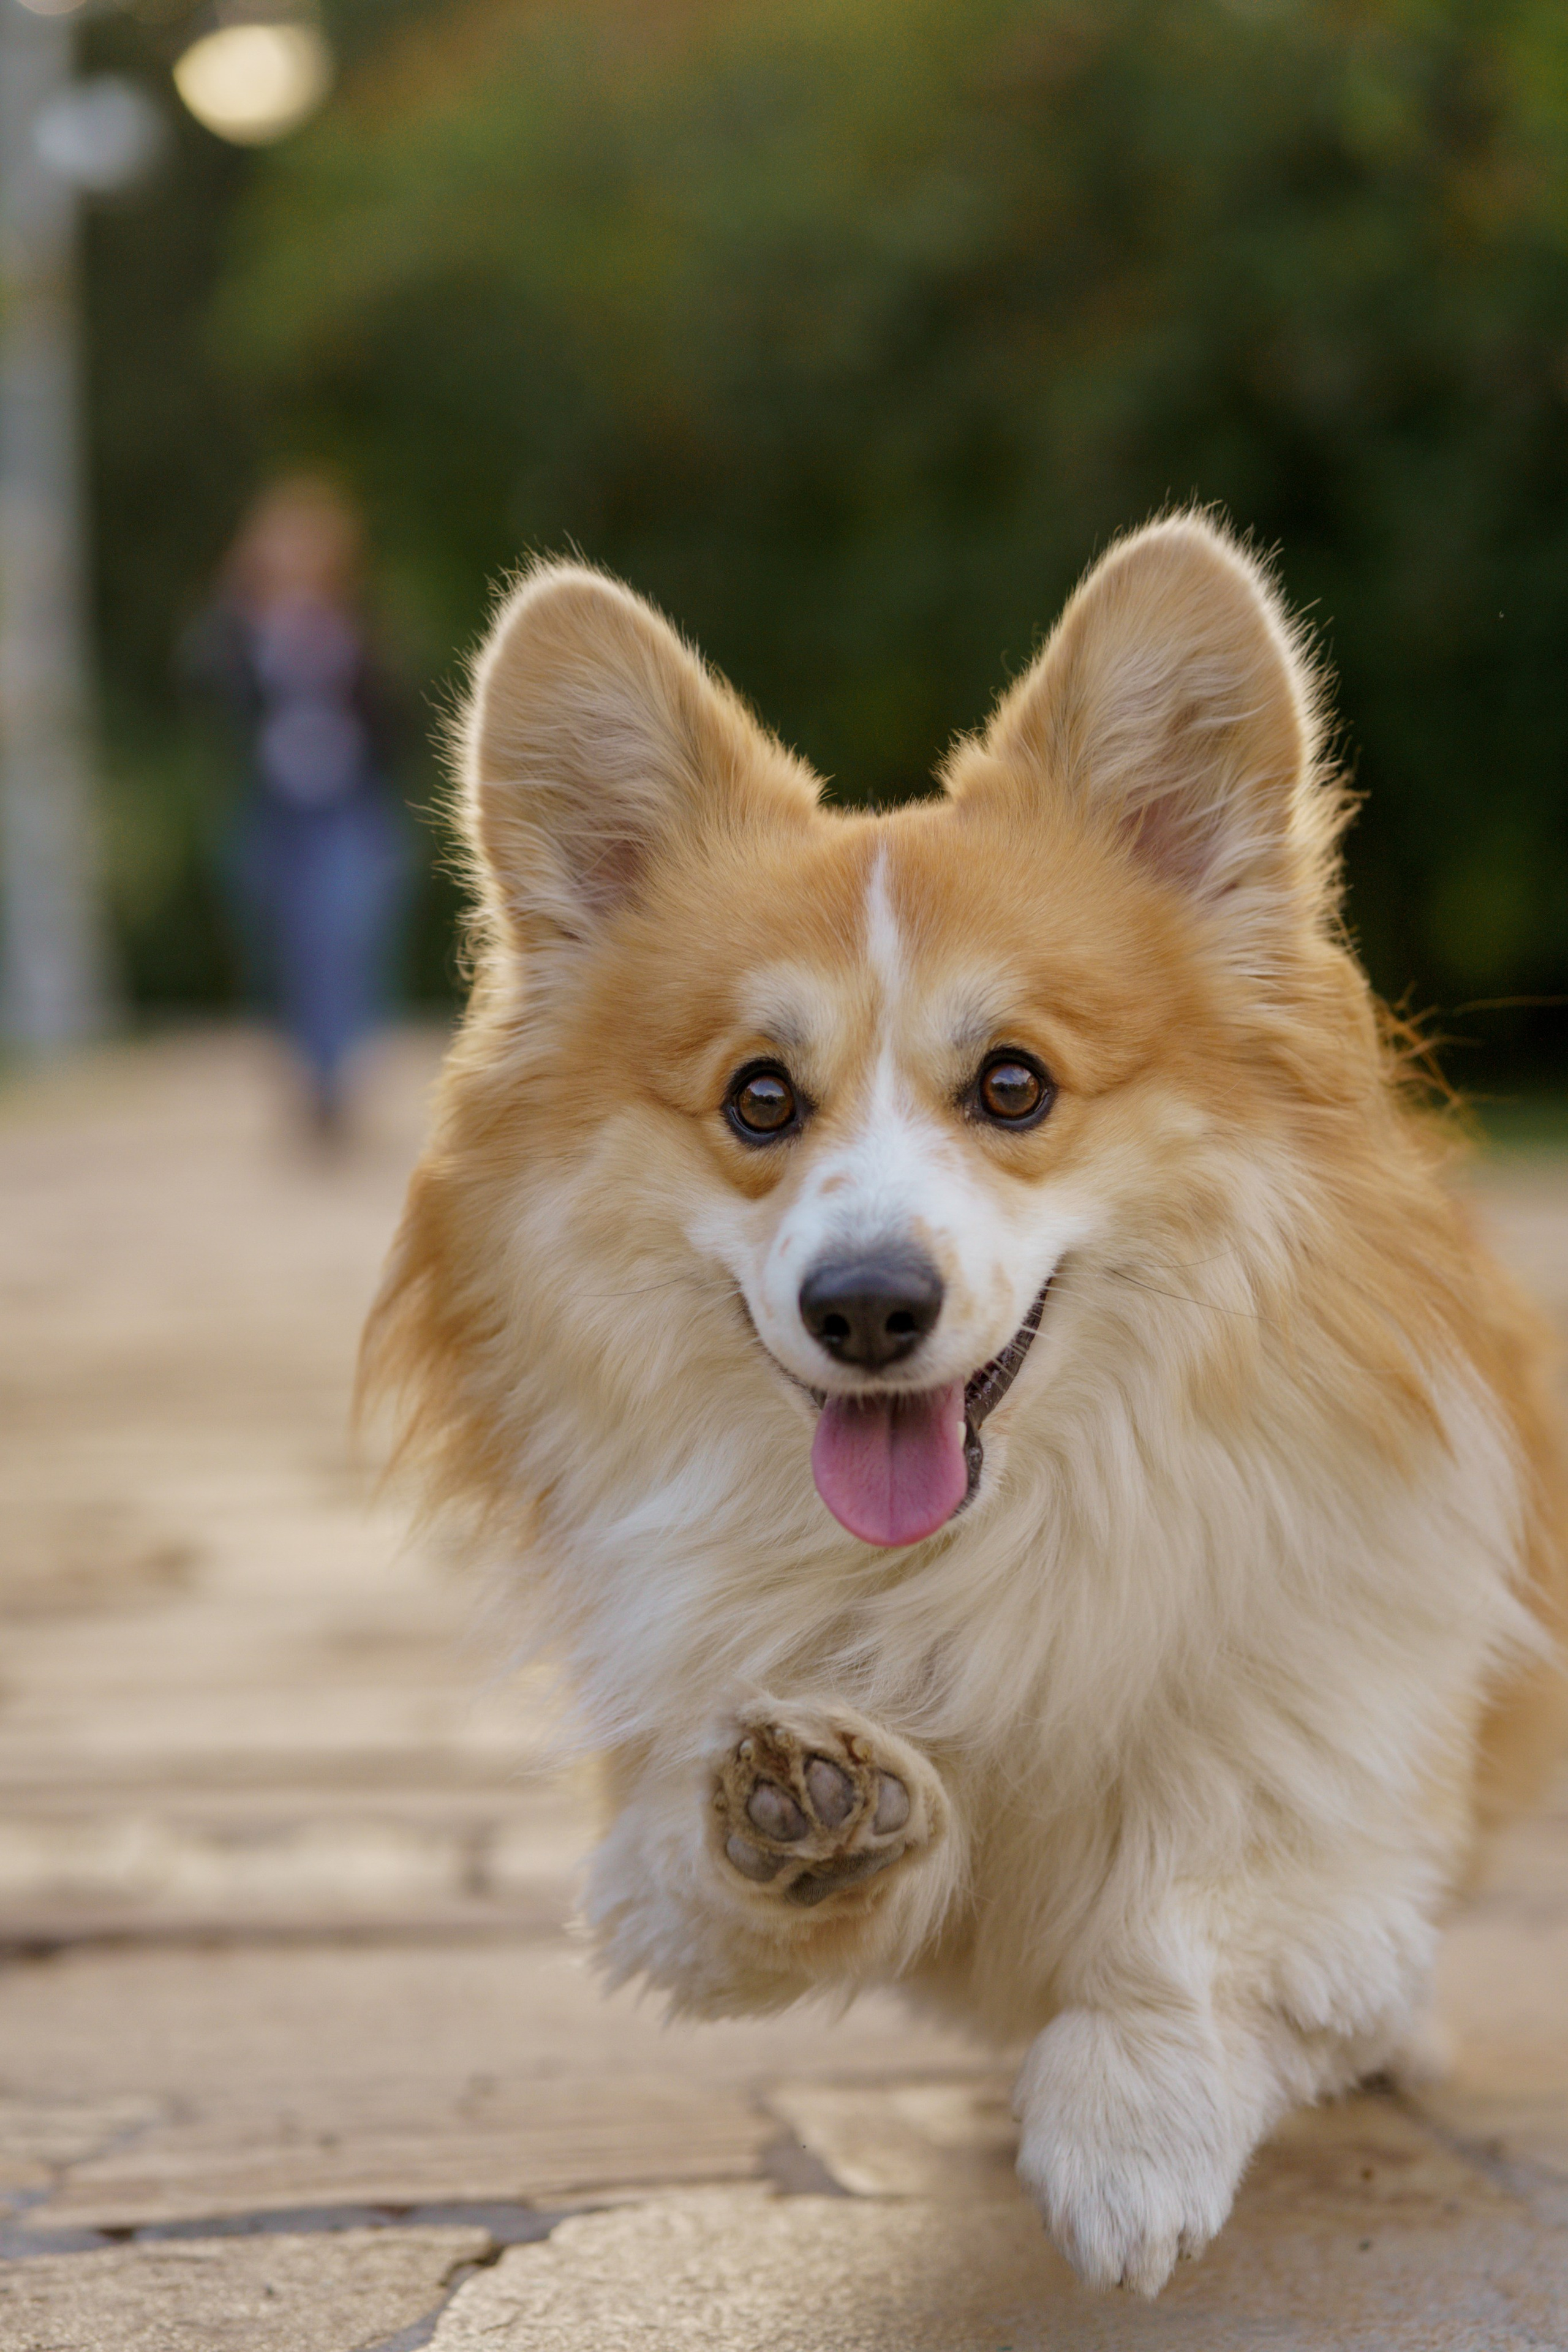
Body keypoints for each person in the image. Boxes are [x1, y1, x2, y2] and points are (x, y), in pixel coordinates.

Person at [187, 475, 411, 1139]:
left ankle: (334, 1076)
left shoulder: (361, 623)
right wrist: (241, 613)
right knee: (283, 941)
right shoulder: (233, 629)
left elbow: (400, 706)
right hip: (270, 809)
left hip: (349, 804)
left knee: (345, 930)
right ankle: (307, 1067)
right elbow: (199, 683)